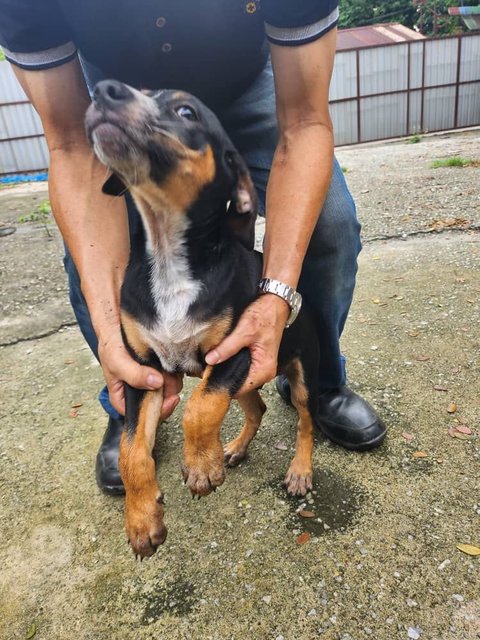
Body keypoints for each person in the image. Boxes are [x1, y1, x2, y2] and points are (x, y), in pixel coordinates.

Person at [0, 0, 386, 495]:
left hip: (254, 80)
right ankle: (128, 400)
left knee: (330, 227)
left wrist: (275, 298)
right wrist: (108, 330)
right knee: (87, 266)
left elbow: (305, 122)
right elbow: (71, 146)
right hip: (118, 94)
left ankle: (319, 382)